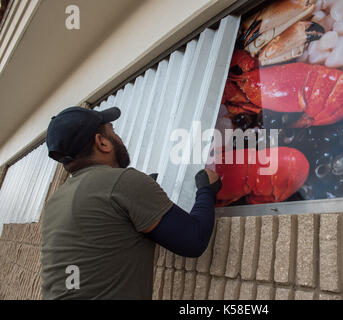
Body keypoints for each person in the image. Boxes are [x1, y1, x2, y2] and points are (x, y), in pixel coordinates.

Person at [41, 106, 221, 300]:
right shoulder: (122, 182)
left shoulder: (55, 202)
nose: (118, 138)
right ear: (102, 142)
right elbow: (193, 240)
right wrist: (206, 191)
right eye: (113, 132)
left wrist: (140, 202)